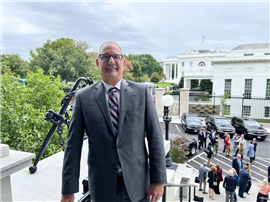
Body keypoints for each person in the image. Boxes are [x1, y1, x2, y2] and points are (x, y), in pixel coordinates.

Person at [61, 41, 167, 202]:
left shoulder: (141, 93)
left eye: (116, 57)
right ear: (98, 63)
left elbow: (155, 138)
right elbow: (73, 146)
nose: (111, 61)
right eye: (105, 57)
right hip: (102, 187)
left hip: (139, 186)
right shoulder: (83, 98)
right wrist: (68, 190)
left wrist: (158, 179)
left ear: (123, 63)